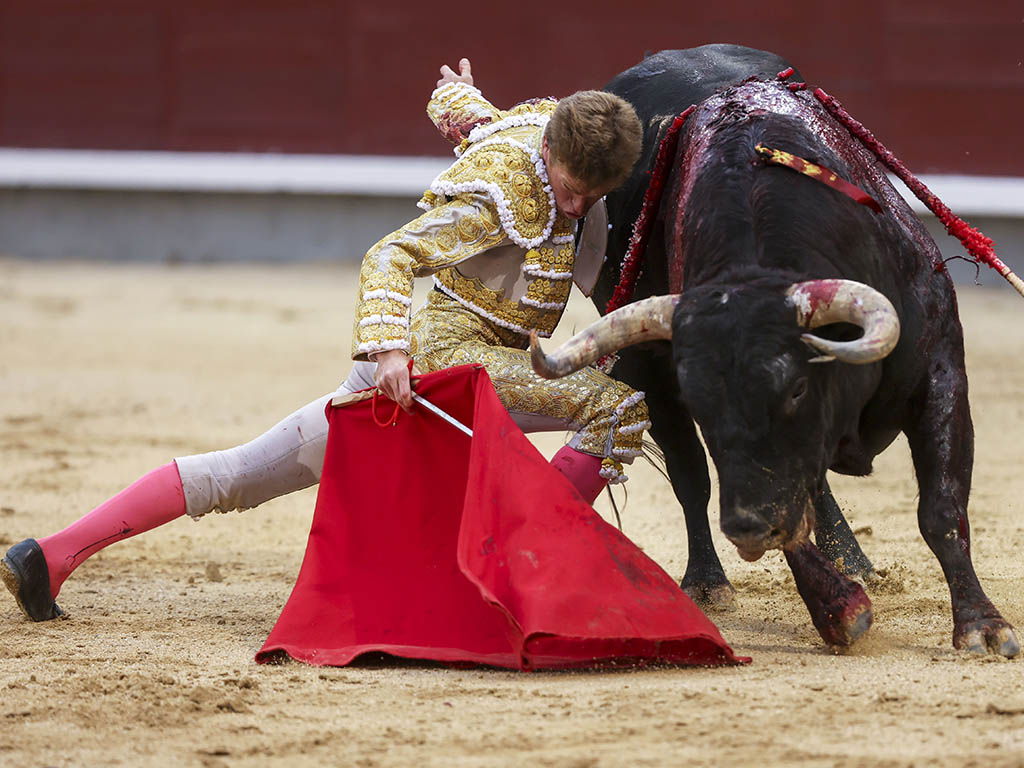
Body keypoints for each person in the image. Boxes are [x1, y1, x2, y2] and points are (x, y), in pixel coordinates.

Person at [2, 58, 649, 623]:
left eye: (593, 196)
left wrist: (457, 97)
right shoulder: (504, 194)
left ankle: (47, 557)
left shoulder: (545, 135)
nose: (575, 207)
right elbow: (390, 256)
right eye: (569, 190)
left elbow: (480, 120)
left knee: (239, 476)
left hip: (481, 370)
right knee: (612, 405)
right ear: (549, 158)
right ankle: (537, 568)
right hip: (440, 370)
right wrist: (388, 350)